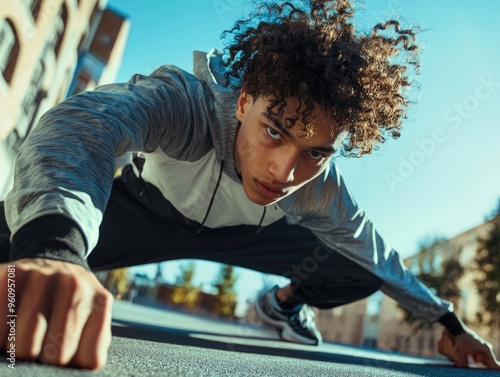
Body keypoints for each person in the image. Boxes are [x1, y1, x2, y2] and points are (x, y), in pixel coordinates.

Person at [0, 0, 498, 371]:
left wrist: (451, 326)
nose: (284, 173)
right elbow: (84, 123)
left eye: (315, 152)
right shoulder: (186, 104)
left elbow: (380, 254)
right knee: (18, 240)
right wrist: (55, 249)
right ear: (243, 103)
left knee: (357, 266)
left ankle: (279, 307)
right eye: (274, 131)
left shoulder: (317, 185)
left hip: (248, 237)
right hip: (144, 213)